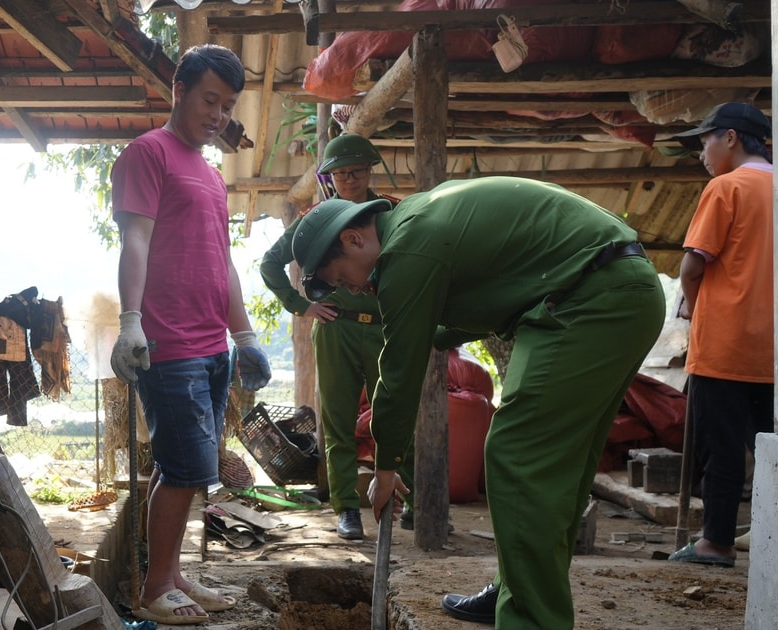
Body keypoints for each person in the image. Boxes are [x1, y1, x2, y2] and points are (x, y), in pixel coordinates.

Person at [291, 176, 665, 628]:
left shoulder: (406, 251)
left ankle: (530, 618)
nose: (350, 289)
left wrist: (386, 465)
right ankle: (518, 588)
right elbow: (473, 304)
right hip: (611, 292)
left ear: (353, 238)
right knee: (559, 464)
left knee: (518, 453)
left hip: (589, 300)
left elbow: (400, 371)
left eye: (341, 277)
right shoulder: (418, 221)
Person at [108, 43, 271, 626]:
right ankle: (154, 588)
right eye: (210, 101)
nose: (219, 115)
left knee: (178, 467)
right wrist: (131, 323)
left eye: (227, 107)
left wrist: (245, 335)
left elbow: (223, 262)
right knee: (185, 471)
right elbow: (136, 241)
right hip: (168, 342)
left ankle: (172, 575)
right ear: (178, 91)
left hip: (211, 345)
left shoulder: (210, 174)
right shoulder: (147, 154)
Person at [259, 133, 413, 540]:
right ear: (329, 176)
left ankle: (413, 500)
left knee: (396, 414)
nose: (349, 179)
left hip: (384, 328)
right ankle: (347, 508)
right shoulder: (316, 222)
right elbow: (271, 263)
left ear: (369, 172)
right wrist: (302, 305)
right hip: (336, 327)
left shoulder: (390, 215)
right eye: (341, 173)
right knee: (340, 421)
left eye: (356, 171)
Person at [667, 102, 774, 568]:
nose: (703, 153)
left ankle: (716, 543)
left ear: (731, 138)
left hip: (726, 346)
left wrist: (691, 302)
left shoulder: (726, 188)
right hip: (772, 351)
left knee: (724, 452)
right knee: (770, 447)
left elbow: (693, 265)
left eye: (706, 141)